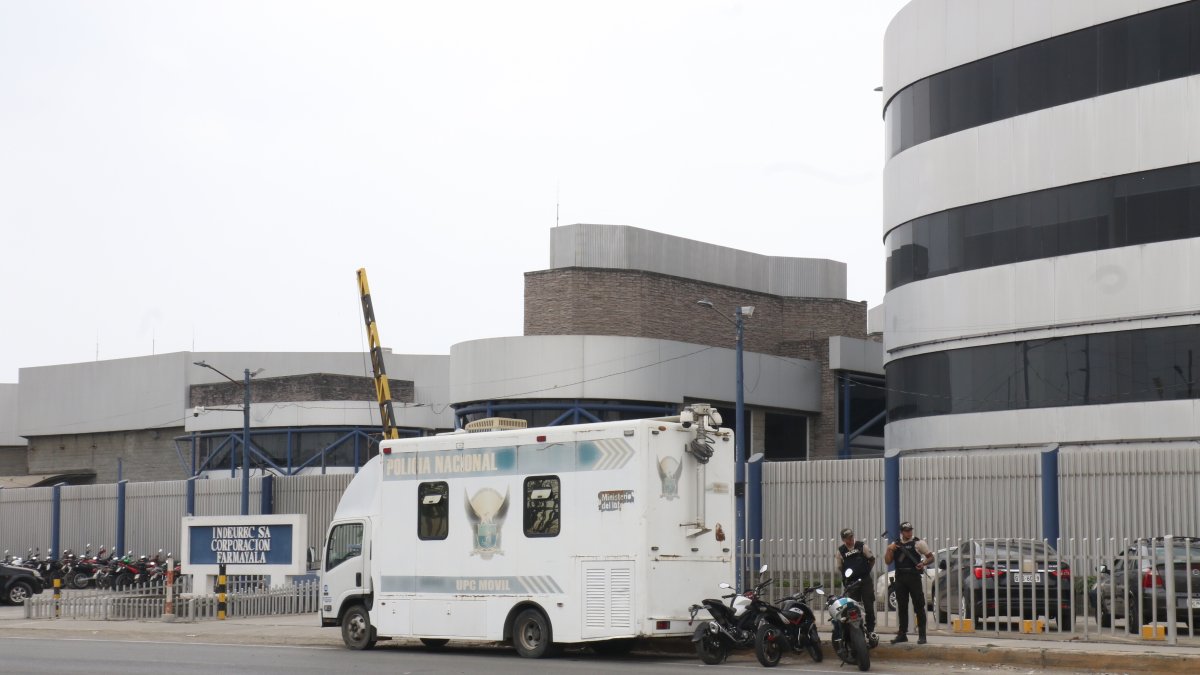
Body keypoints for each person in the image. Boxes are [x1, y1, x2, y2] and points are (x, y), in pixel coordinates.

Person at [884, 521, 934, 644]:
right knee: (902, 606)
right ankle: (902, 634)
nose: (909, 532)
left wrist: (923, 563)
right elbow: (888, 561)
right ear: (901, 532)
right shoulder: (895, 544)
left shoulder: (918, 543)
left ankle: (922, 635)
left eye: (910, 530)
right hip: (900, 577)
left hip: (913, 576)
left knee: (919, 605)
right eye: (906, 531)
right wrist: (889, 550)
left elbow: (930, 557)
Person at [835, 527, 876, 636]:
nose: (851, 539)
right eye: (848, 538)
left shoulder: (861, 546)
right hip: (852, 583)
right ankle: (858, 629)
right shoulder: (841, 551)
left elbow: (872, 559)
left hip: (865, 580)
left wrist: (866, 571)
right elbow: (840, 567)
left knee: (869, 606)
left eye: (852, 537)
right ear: (844, 540)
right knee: (853, 607)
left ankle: (871, 629)